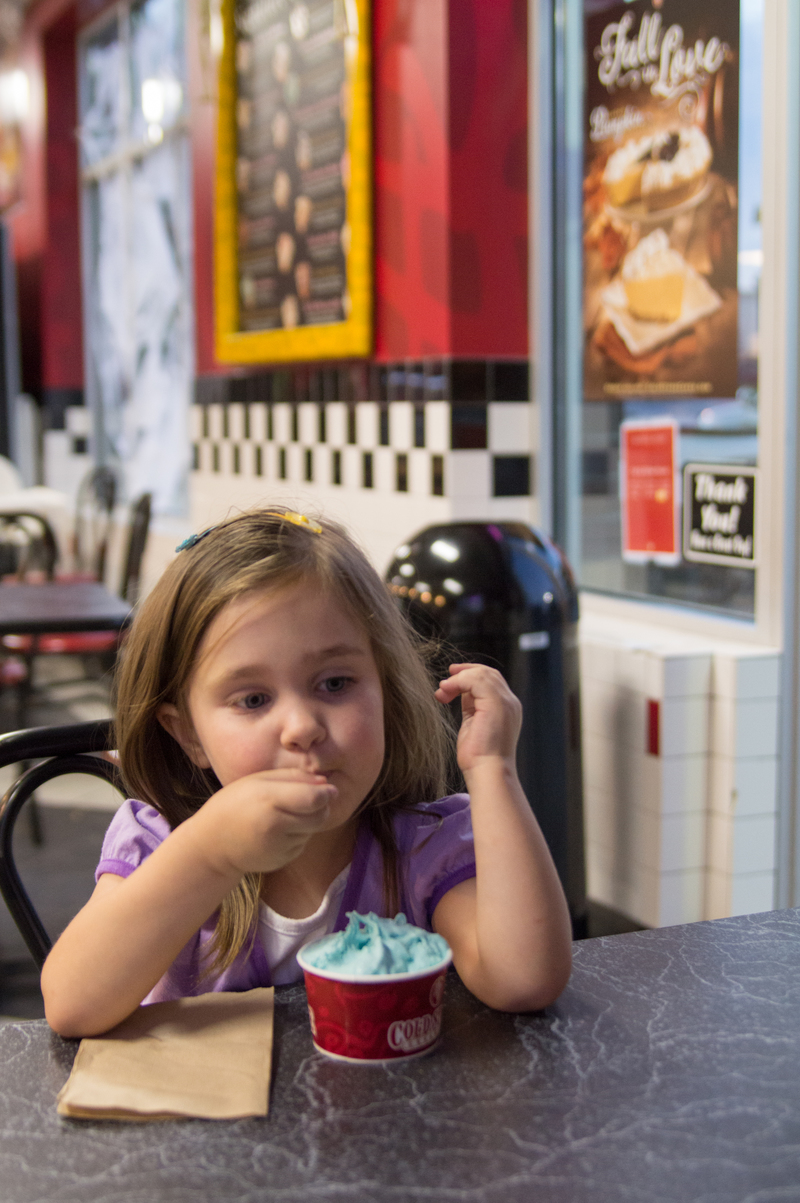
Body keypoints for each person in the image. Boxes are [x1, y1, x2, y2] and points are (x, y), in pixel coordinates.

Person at [41, 508, 572, 1037]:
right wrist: (211, 851)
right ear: (189, 735)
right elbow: (71, 1006)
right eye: (253, 699)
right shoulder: (157, 844)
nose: (302, 727)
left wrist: (493, 770)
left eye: (335, 684)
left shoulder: (423, 849)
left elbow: (523, 981)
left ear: (385, 691)